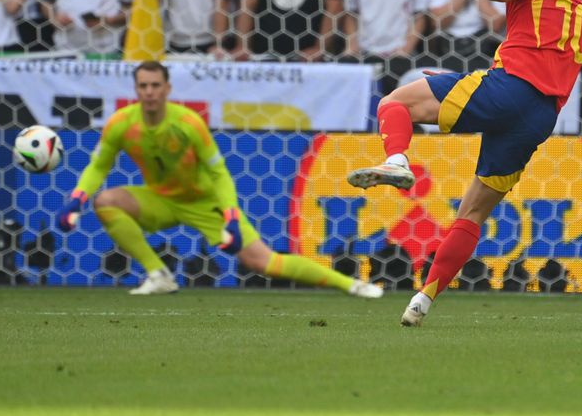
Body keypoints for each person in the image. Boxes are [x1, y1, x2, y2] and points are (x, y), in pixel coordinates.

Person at [347, 0, 582, 326]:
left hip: (508, 89)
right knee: (472, 213)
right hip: (540, 116)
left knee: (395, 104)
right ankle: (424, 298)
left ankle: (397, 161)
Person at [56, 60, 384, 298]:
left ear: (167, 88)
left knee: (263, 261)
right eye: (143, 86)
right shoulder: (121, 123)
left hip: (205, 203)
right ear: (136, 89)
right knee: (106, 201)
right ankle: (158, 274)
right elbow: (98, 166)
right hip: (159, 200)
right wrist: (77, 198)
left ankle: (350, 284)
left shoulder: (186, 123)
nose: (150, 92)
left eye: (156, 85)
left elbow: (218, 172)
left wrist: (229, 214)